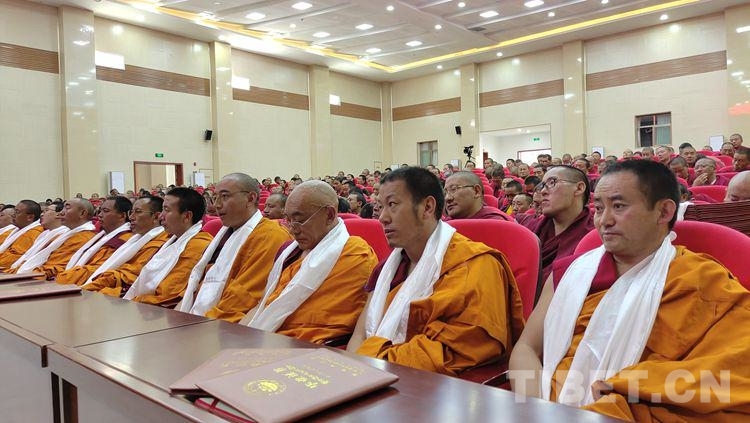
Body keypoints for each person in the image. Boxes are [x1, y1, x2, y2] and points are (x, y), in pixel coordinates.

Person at [509, 159, 750, 421]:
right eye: (599, 208)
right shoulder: (567, 274)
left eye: (619, 206)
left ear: (664, 212)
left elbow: (730, 375)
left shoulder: (701, 280)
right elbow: (526, 349)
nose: (604, 220)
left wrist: (621, 398)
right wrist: (537, 410)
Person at [348, 167, 524, 376]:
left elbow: (453, 351)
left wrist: (367, 362)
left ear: (427, 207)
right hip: (372, 373)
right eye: (380, 206)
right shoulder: (388, 268)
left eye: (392, 205)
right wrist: (353, 373)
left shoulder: (475, 264)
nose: (383, 218)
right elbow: (359, 334)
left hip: (431, 386)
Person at [241, 181, 377, 343]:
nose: (292, 229)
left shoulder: (356, 254)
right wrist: (239, 337)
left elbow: (328, 327)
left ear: (329, 215)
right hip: (265, 337)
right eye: (288, 220)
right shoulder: (288, 252)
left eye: (299, 220)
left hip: (308, 349)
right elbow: (262, 306)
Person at [177, 173, 292, 323]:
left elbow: (243, 299)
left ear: (250, 198)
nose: (217, 205)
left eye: (224, 197)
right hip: (198, 318)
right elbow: (198, 285)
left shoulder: (271, 236)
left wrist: (195, 325)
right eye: (215, 198)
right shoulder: (224, 235)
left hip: (225, 326)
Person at [103, 189, 212, 304]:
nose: (161, 216)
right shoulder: (170, 240)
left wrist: (130, 301)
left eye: (166, 210)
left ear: (187, 216)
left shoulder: (198, 245)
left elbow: (168, 296)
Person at [516, 166, 593, 282]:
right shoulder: (530, 227)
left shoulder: (596, 235)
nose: (543, 191)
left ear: (579, 188)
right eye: (542, 185)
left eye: (552, 182)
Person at [81, 196, 169, 296]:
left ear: (156, 217)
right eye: (131, 212)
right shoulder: (135, 240)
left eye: (138, 212)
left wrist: (89, 288)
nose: (131, 217)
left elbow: (130, 278)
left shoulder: (161, 243)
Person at [56, 196, 133, 285]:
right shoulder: (100, 236)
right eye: (100, 210)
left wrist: (63, 277)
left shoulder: (123, 240)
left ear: (122, 216)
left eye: (106, 211)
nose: (99, 215)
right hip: (70, 278)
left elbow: (98, 269)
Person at [14, 198, 98, 278]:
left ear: (82, 213)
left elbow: (56, 268)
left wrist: (25, 275)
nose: (61, 213)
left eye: (67, 208)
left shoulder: (84, 238)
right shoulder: (64, 235)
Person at [9, 202, 68, 271]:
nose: (41, 214)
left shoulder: (62, 235)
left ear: (58, 214)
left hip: (36, 273)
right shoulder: (44, 234)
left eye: (46, 211)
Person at [443, 171, 511, 221]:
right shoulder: (445, 226)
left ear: (476, 191)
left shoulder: (497, 223)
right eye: (445, 192)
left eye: (454, 189)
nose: (447, 198)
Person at [0, 200, 43, 269]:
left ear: (30, 217)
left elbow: (14, 257)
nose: (13, 215)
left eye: (17, 212)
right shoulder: (17, 230)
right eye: (14, 211)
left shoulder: (33, 233)